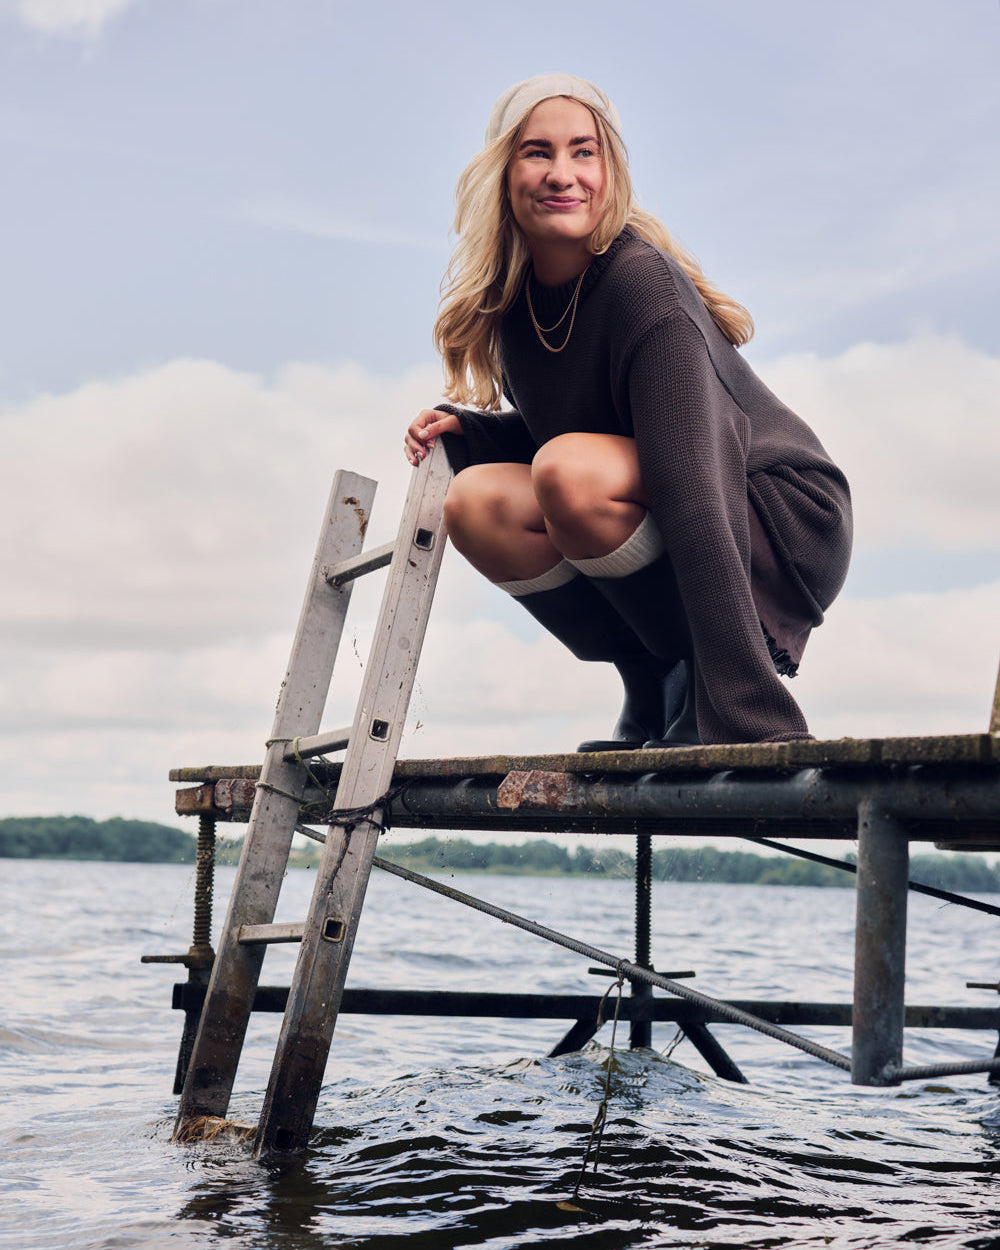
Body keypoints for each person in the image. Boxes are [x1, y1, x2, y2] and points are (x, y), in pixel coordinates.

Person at [404, 73, 852, 748]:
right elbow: (595, 421)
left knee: (567, 475)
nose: (563, 174)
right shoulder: (515, 306)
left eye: (584, 152)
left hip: (776, 511)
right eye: (538, 152)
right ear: (502, 171)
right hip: (671, 488)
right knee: (475, 502)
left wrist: (746, 711)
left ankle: (706, 686)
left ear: (610, 169)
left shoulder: (641, 284)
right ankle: (652, 682)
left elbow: (693, 481)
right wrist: (478, 432)